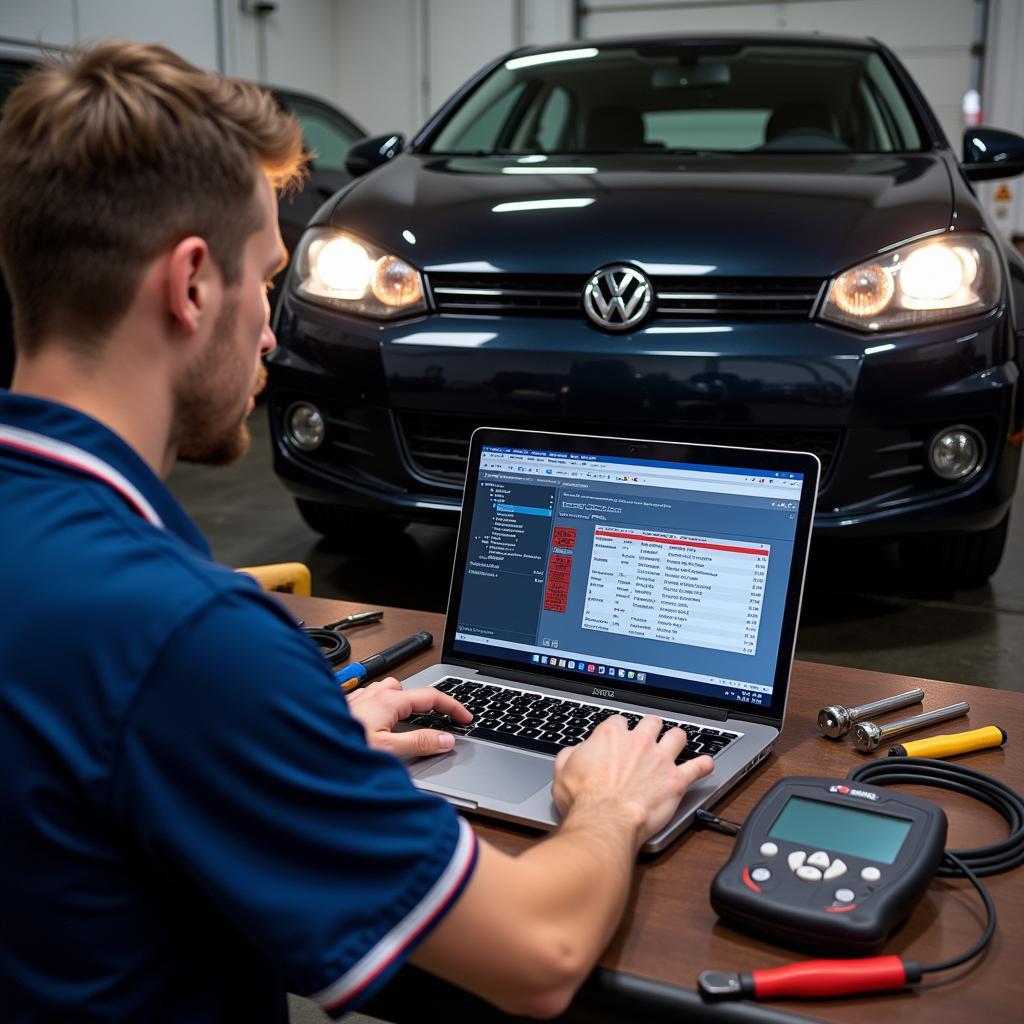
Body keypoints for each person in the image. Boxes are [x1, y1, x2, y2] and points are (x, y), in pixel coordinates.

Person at [0, 42, 714, 1023]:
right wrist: (609, 803)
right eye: (266, 280)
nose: (272, 334)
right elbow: (539, 953)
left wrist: (292, 747)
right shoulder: (187, 638)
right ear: (193, 284)